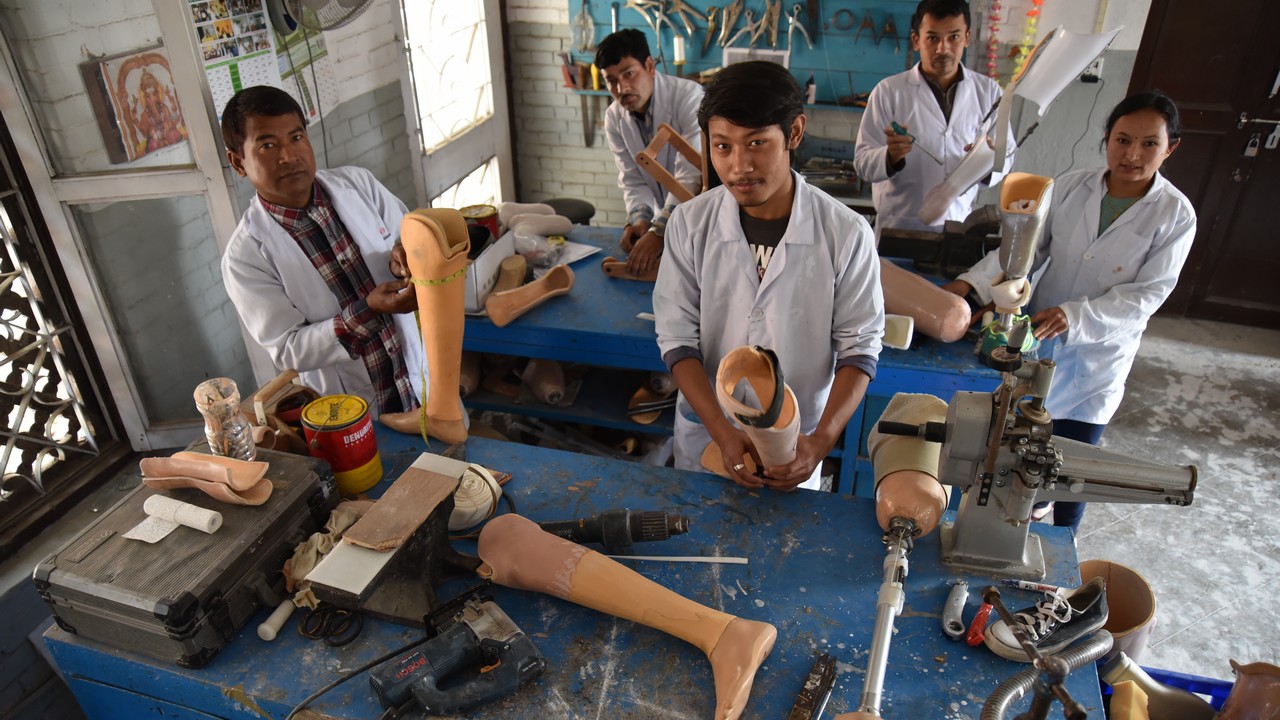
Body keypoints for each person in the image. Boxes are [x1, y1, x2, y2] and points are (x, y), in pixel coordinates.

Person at [943, 90, 1196, 533]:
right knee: (1015, 454)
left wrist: (1074, 317)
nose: (1133, 154)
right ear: (1107, 138)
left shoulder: (1175, 215)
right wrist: (972, 284)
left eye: (1149, 143)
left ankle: (1063, 551)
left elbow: (1148, 294)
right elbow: (1024, 248)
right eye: (1122, 139)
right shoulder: (1070, 187)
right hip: (1038, 345)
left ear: (1170, 147)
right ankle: (1006, 529)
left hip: (1099, 362)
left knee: (1073, 473)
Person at [654, 61, 884, 492]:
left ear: (794, 133)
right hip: (709, 435)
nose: (739, 165)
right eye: (722, 147)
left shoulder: (846, 233)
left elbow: (860, 350)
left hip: (793, 447)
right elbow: (676, 339)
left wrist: (819, 442)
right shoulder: (689, 224)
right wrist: (722, 432)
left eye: (756, 142)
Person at [220, 85, 426, 418]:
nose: (288, 156)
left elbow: (412, 238)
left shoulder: (358, 185)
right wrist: (367, 310)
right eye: (268, 145)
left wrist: (405, 256)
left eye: (296, 137)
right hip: (349, 407)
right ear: (238, 162)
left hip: (417, 379)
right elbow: (288, 349)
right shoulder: (245, 256)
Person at [853, 0, 1009, 234]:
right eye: (932, 38)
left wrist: (985, 160)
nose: (943, 49)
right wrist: (890, 156)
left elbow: (1006, 158)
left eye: (953, 37)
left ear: (967, 37)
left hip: (957, 228)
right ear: (916, 40)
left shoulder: (989, 93)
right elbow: (863, 164)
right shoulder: (888, 92)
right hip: (900, 228)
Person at [596, 29, 704, 277]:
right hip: (665, 218)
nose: (622, 88)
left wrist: (659, 231)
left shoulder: (689, 98)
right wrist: (640, 221)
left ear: (649, 66)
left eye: (629, 74)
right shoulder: (614, 117)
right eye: (611, 80)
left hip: (700, 221)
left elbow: (690, 176)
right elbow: (632, 178)